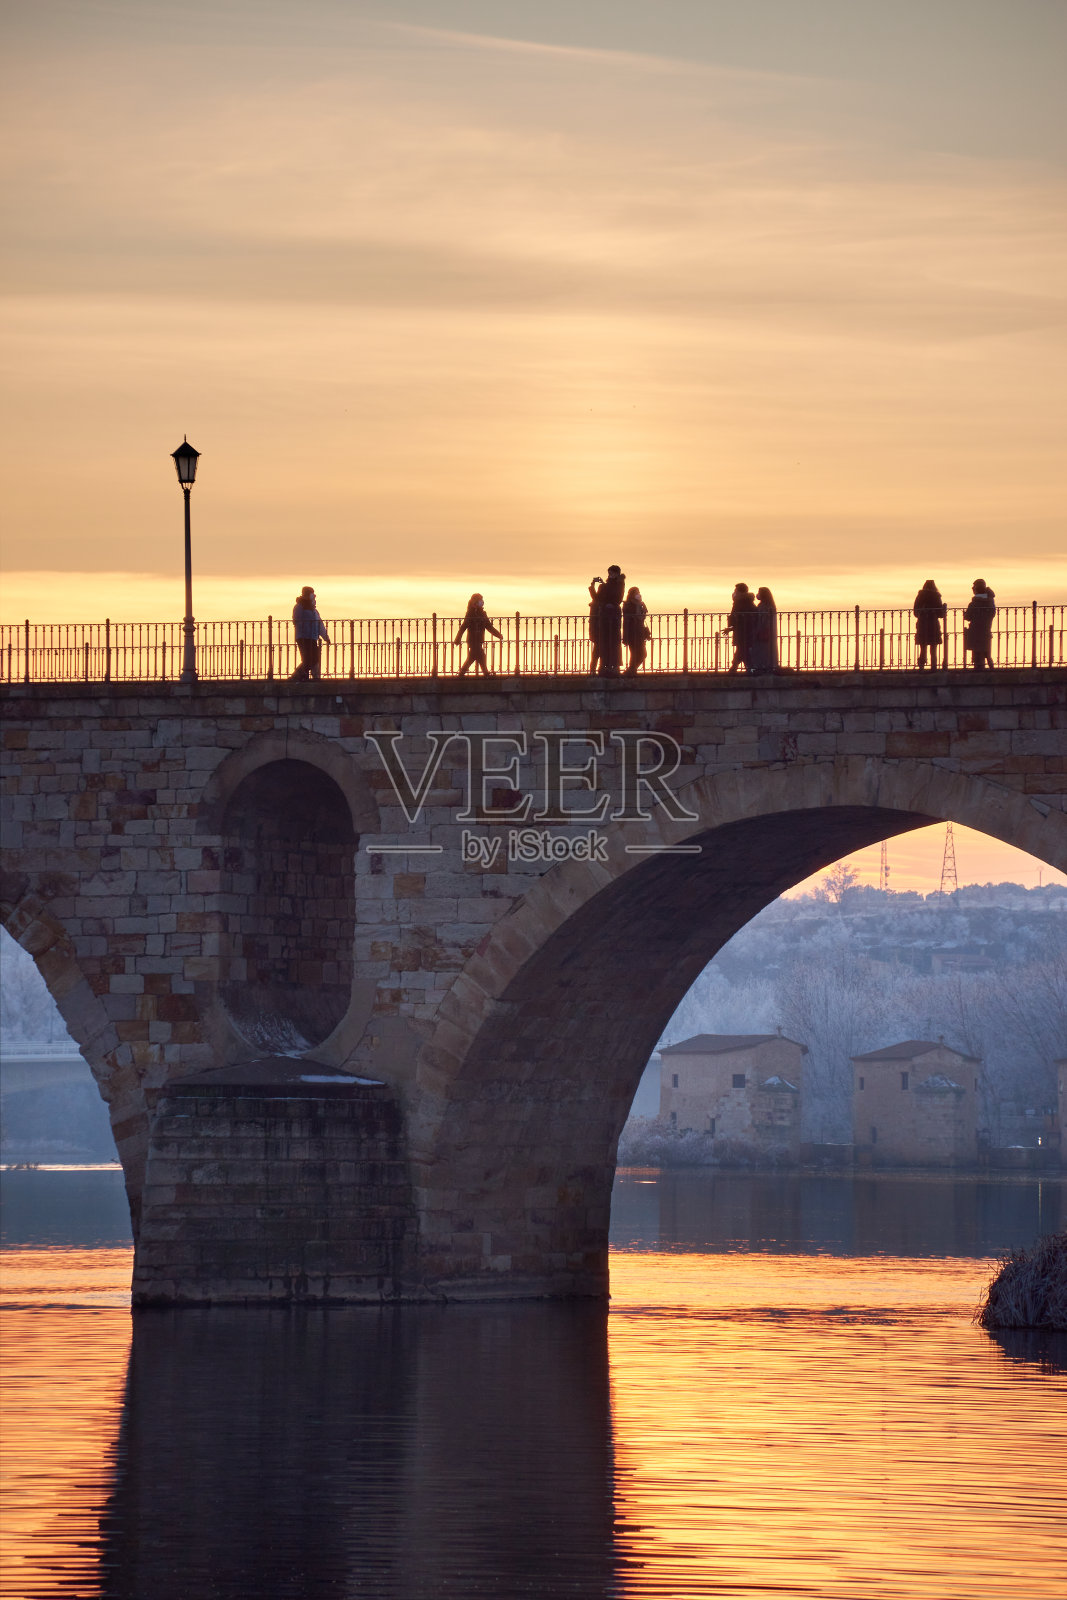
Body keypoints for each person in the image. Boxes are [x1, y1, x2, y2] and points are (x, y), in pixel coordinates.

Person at [588, 566, 625, 676]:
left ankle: (612, 666)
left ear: (617, 574)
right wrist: (593, 585)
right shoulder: (605, 586)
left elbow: (616, 598)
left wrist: (604, 585)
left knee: (612, 642)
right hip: (603, 618)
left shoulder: (619, 584)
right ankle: (599, 667)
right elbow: (597, 598)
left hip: (613, 618)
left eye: (612, 573)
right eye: (609, 573)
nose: (610, 575)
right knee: (602, 643)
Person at [454, 593, 503, 677]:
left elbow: (489, 626)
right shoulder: (470, 613)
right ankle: (485, 673)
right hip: (472, 640)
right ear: (475, 602)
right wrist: (458, 638)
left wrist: (498, 635)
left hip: (479, 639)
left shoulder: (483, 614)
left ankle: (462, 673)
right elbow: (464, 626)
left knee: (473, 657)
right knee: (480, 655)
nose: (482, 602)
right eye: (480, 600)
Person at [290, 586, 330, 680]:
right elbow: (296, 620)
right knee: (307, 659)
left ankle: (307, 675)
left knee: (314, 658)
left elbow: (319, 624)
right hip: (303, 637)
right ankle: (298, 675)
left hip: (312, 637)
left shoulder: (314, 610)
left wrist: (325, 637)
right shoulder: (299, 607)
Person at [723, 583, 757, 673]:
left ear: (739, 592)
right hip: (747, 631)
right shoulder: (750, 602)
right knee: (743, 651)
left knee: (742, 650)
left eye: (735, 590)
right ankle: (748, 669)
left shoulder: (739, 602)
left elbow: (735, 618)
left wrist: (730, 628)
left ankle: (743, 669)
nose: (734, 592)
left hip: (742, 632)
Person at [913, 579, 946, 670]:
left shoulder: (920, 596)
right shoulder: (936, 596)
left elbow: (915, 612)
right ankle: (933, 667)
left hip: (922, 624)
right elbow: (940, 614)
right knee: (933, 648)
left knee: (923, 648)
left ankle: (921, 667)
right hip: (933, 624)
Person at [964, 578, 996, 670]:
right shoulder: (990, 602)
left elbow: (967, 617)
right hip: (986, 630)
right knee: (987, 654)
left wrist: (966, 614)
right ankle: (992, 672)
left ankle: (978, 672)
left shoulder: (974, 604)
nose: (972, 588)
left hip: (975, 632)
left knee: (977, 655)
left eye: (973, 587)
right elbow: (992, 614)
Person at [622, 587, 650, 676]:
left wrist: (643, 608)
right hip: (632, 632)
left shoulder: (640, 604)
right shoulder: (628, 605)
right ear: (632, 594)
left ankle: (630, 671)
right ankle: (631, 671)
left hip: (640, 632)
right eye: (637, 592)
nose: (639, 594)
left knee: (642, 654)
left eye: (639, 592)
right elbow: (633, 618)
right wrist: (638, 606)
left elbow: (641, 618)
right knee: (635, 654)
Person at [752, 586, 779, 673]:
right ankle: (769, 666)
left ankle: (763, 667)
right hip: (768, 633)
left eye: (759, 593)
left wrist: (757, 630)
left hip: (763, 632)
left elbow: (762, 620)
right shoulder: (770, 606)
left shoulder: (764, 607)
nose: (757, 595)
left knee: (762, 650)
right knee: (767, 651)